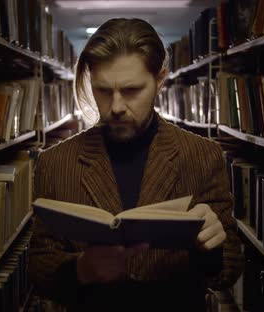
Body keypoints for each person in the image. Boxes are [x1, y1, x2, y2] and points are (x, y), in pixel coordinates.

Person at [29, 18, 244, 311]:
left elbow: (230, 268)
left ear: (160, 80)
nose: (116, 107)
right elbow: (38, 265)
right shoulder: (55, 163)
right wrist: (80, 270)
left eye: (131, 91)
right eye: (103, 91)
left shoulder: (202, 155)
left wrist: (212, 247)